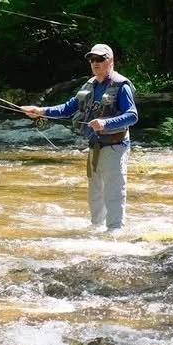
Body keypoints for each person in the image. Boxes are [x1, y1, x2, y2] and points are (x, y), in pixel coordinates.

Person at [21, 44, 138, 231]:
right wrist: (40, 111)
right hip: (95, 145)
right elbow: (68, 108)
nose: (95, 63)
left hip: (116, 145)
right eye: (92, 60)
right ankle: (96, 230)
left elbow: (132, 115)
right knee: (95, 194)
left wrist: (106, 123)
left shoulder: (121, 86)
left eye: (100, 59)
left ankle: (115, 233)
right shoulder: (90, 85)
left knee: (114, 192)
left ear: (111, 61)